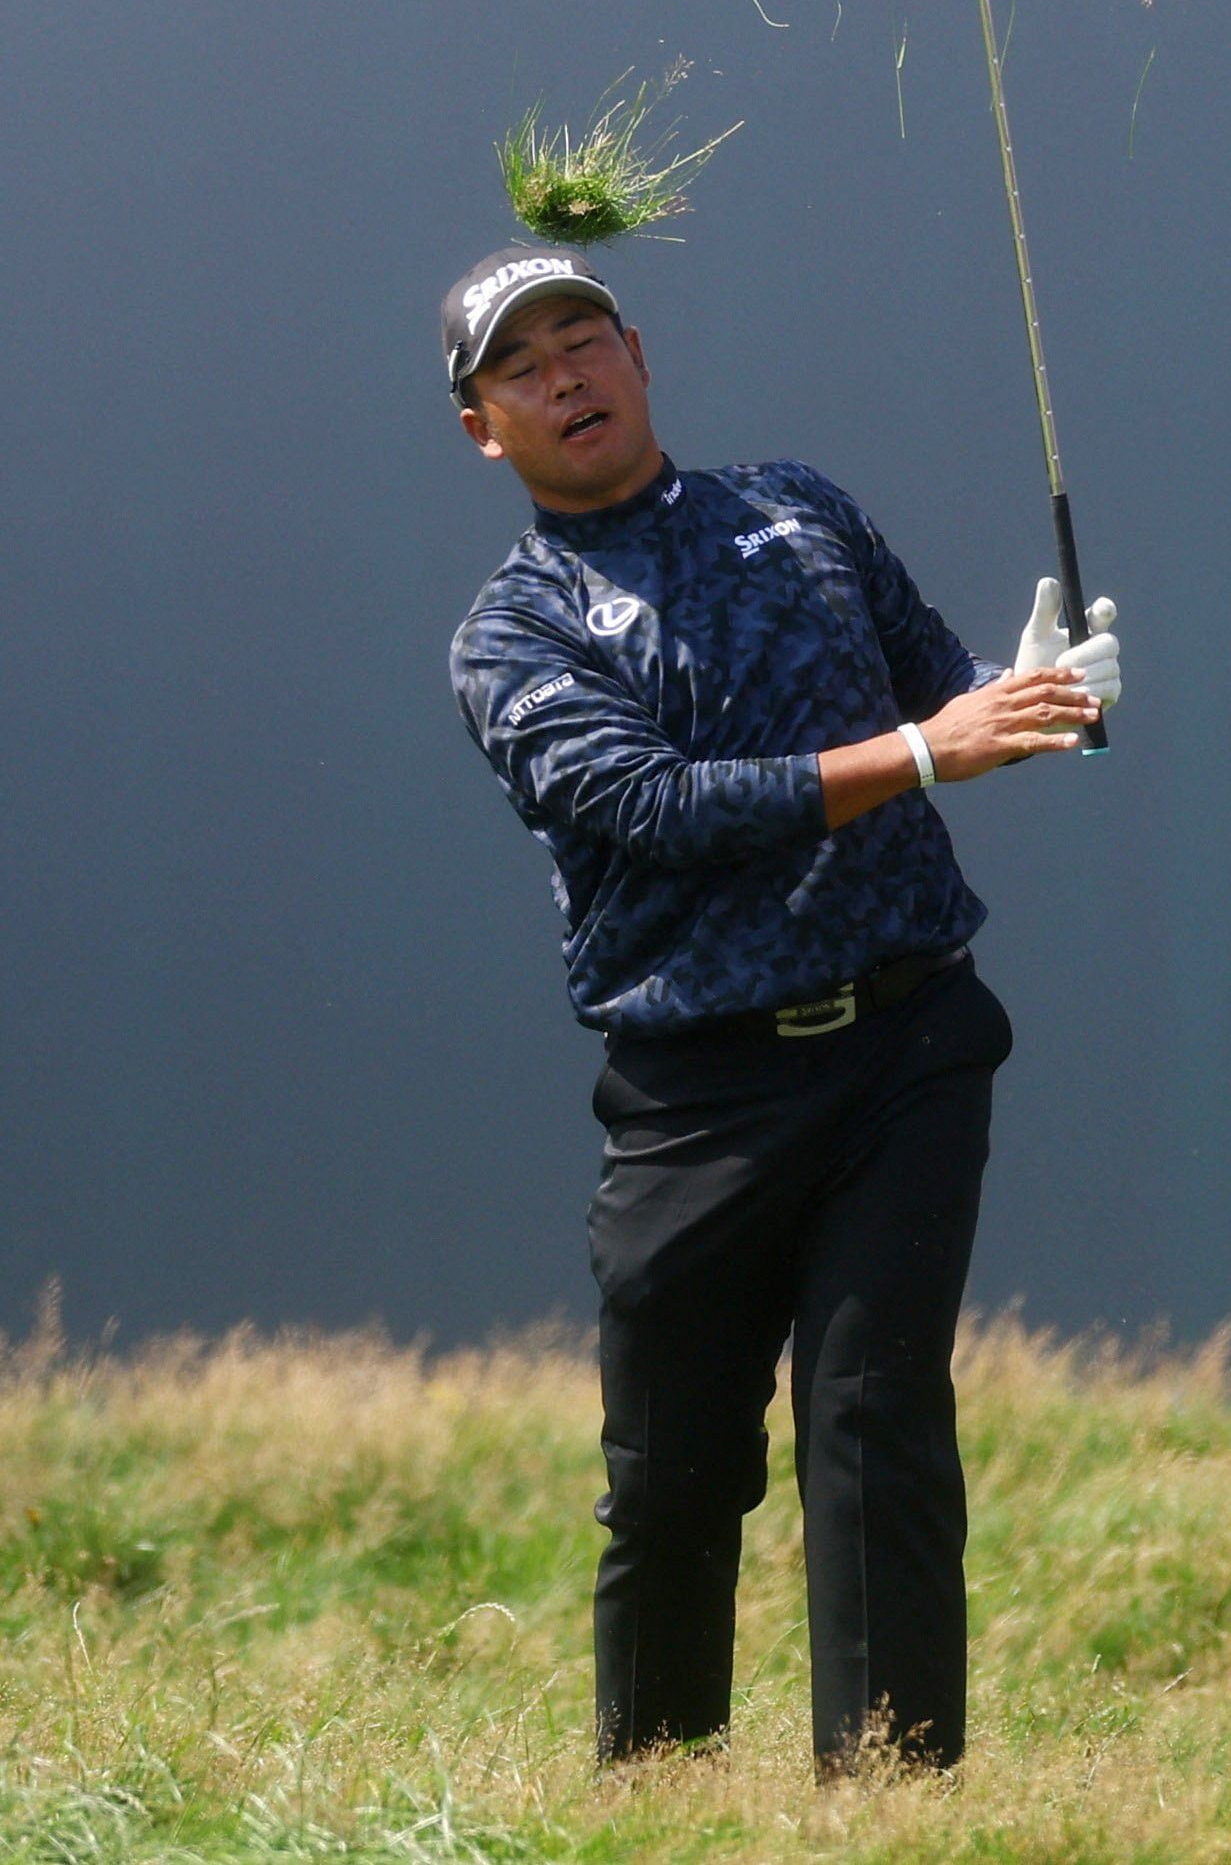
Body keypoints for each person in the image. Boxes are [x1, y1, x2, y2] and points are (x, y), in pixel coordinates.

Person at [442, 243, 1122, 1775]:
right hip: (696, 1093)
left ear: (637, 351)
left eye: (582, 339)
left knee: (875, 1429)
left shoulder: (796, 510)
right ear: (484, 429)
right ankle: (662, 1797)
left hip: (907, 1040)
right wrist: (931, 751)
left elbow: (932, 689)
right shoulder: (515, 634)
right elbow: (656, 806)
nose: (565, 377)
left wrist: (1027, 697)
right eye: (521, 368)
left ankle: (883, 1800)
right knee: (675, 1480)